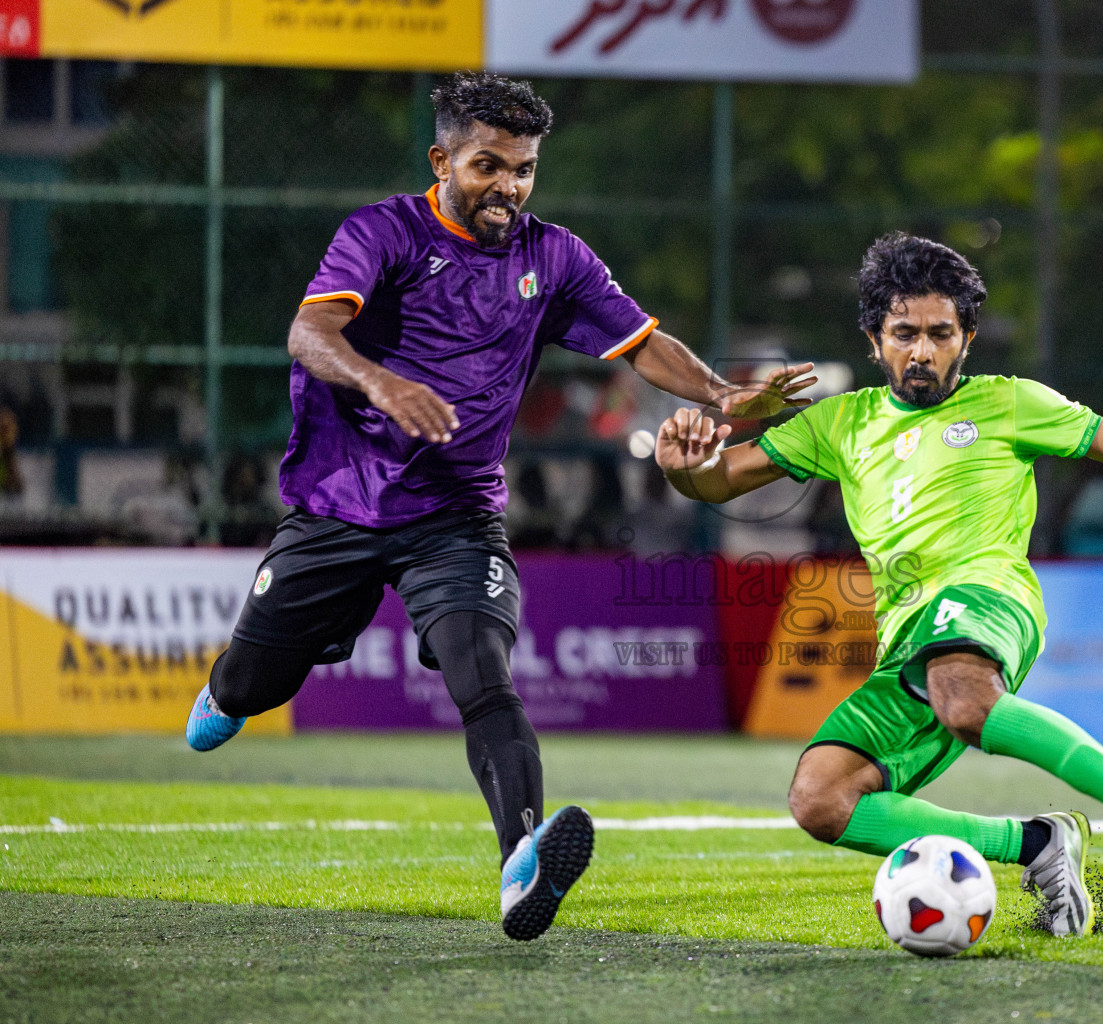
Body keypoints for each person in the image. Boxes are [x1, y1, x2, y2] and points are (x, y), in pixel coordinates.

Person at [183, 73, 814, 942]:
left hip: (456, 515)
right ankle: (230, 683)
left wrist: (722, 396)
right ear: (441, 159)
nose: (508, 187)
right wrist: (382, 380)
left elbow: (641, 341)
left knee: (484, 672)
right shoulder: (382, 233)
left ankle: (522, 865)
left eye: (523, 170)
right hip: (338, 508)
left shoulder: (551, 256)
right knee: (252, 687)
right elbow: (309, 333)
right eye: (489, 165)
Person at [655, 233, 1103, 935]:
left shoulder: (1011, 403)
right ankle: (1036, 844)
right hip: (906, 638)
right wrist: (681, 466)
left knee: (963, 699)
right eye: (904, 334)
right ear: (873, 339)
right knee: (821, 801)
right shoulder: (840, 422)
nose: (922, 351)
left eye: (940, 334)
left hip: (989, 598)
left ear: (967, 338)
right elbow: (719, 479)